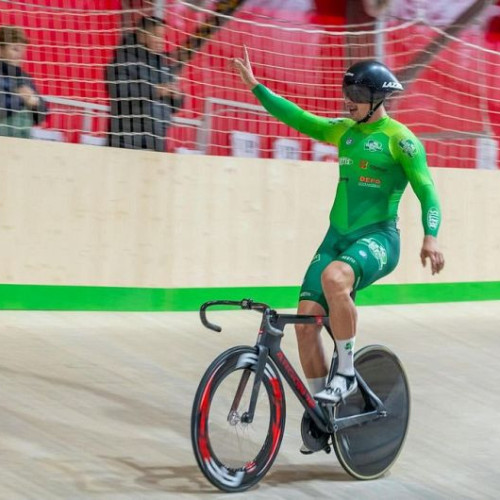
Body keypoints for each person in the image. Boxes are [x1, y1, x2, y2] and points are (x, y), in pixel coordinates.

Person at [231, 47, 445, 451]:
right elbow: (300, 119)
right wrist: (257, 88)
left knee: (335, 278)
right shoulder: (344, 131)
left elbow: (428, 191)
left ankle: (345, 371)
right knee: (306, 324)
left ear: (377, 100)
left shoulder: (402, 141)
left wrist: (430, 236)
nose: (348, 103)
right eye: (347, 96)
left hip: (379, 238)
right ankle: (322, 412)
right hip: (336, 239)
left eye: (356, 98)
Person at [106, 16, 184, 152]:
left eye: (162, 36)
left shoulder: (163, 64)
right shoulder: (122, 59)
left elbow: (173, 108)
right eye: (157, 35)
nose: (161, 41)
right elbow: (119, 92)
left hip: (157, 140)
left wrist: (177, 96)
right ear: (142, 35)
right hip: (126, 140)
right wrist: (155, 91)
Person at [0, 26, 47, 138]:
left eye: (22, 50)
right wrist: (22, 98)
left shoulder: (25, 77)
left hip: (22, 142)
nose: (20, 55)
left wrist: (35, 104)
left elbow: (42, 115)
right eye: (15, 49)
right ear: (1, 50)